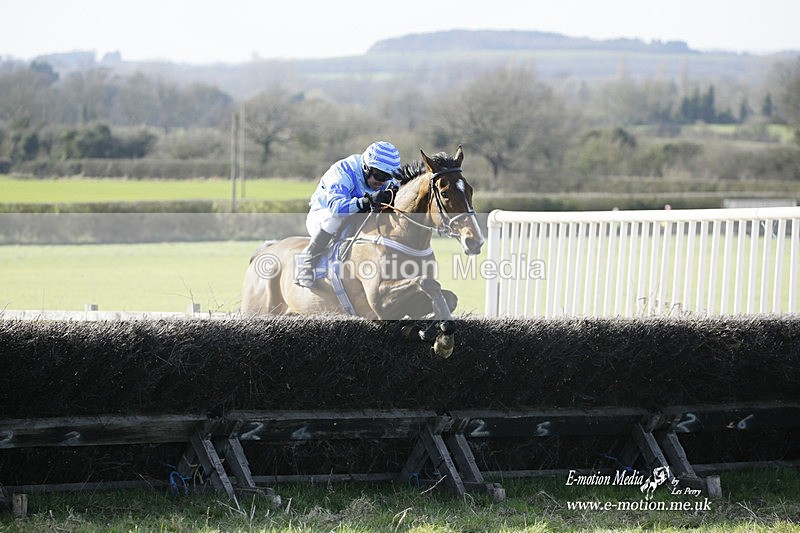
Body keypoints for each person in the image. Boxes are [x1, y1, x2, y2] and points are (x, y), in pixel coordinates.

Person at [294, 141, 401, 288]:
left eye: (387, 177)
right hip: (324, 216)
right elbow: (336, 208)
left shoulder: (389, 180)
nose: (382, 182)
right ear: (365, 167)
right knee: (335, 218)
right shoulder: (343, 170)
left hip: (358, 219)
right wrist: (365, 202)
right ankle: (307, 260)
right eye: (379, 176)